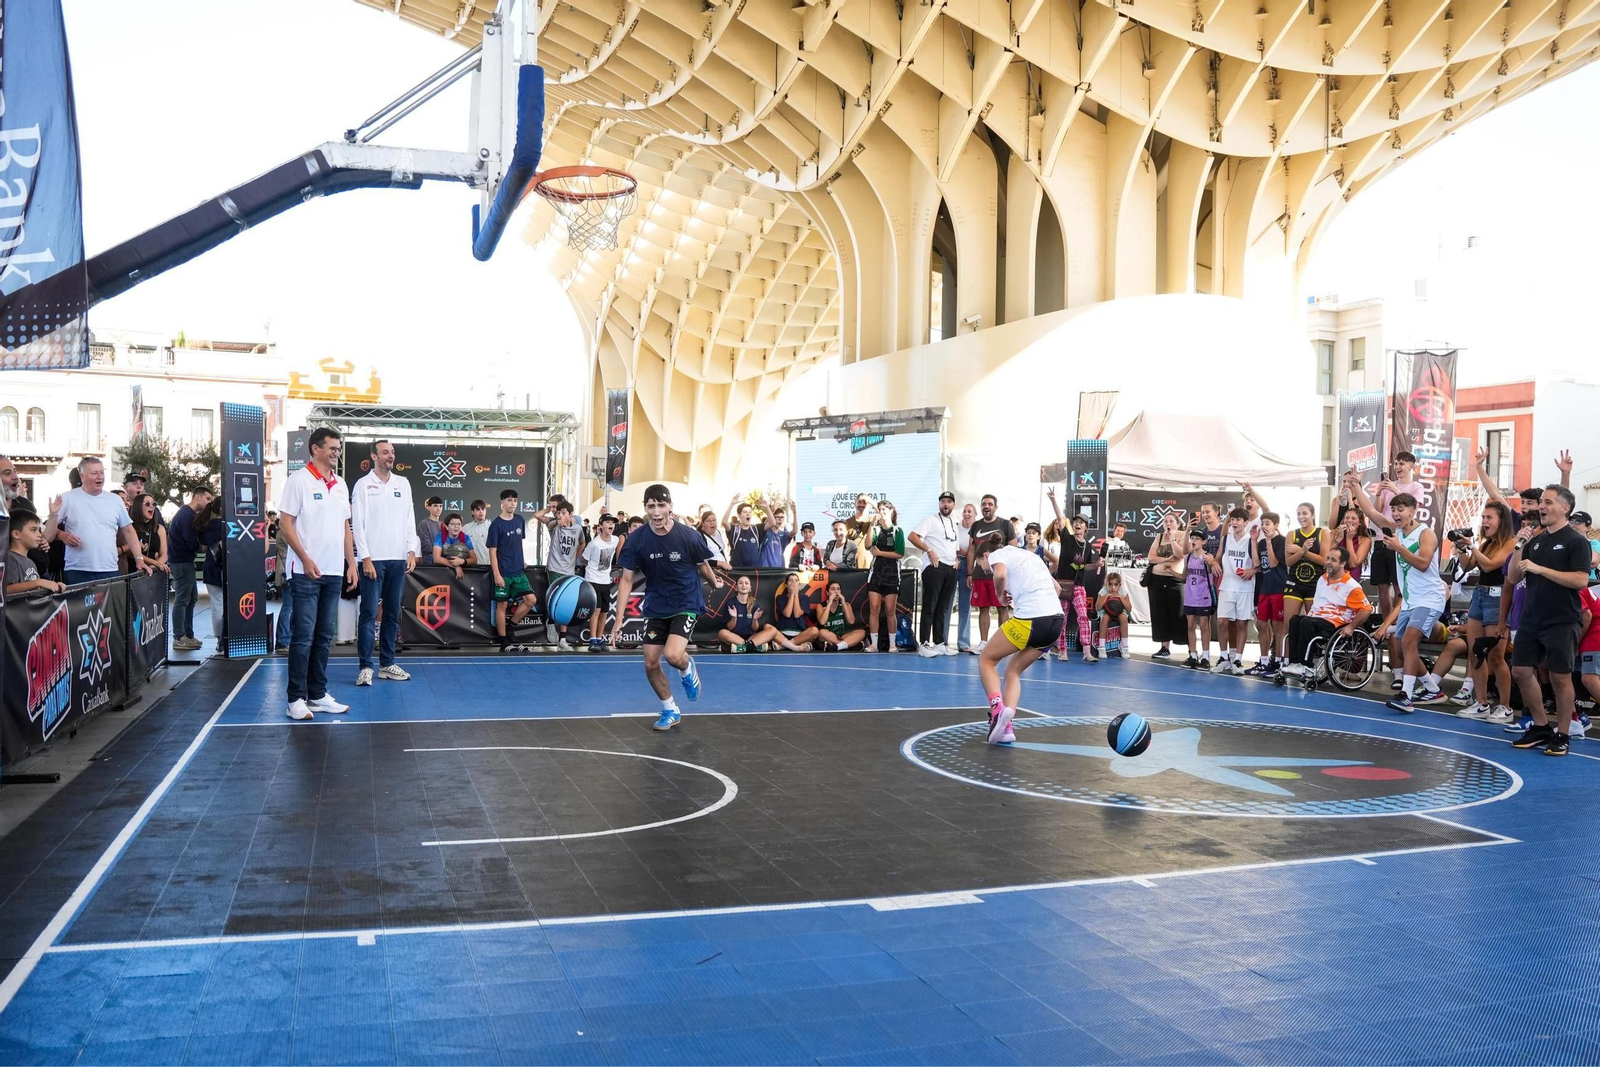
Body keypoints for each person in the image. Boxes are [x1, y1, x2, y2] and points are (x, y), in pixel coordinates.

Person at [609, 483, 726, 730]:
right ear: (645, 508)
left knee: (673, 655)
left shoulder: (688, 535)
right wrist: (618, 620)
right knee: (651, 662)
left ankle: (687, 666)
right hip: (656, 604)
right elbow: (626, 580)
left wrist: (714, 581)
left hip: (685, 601)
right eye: (651, 506)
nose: (656, 511)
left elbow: (702, 564)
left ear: (670, 507)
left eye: (661, 505)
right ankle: (670, 709)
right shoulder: (636, 540)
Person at [1347, 477, 1449, 711]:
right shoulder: (1396, 531)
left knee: (1409, 640)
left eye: (1400, 509)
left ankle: (1406, 695)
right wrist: (1356, 487)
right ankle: (1433, 689)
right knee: (1403, 645)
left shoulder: (1425, 534)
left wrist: (1399, 549)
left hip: (1430, 598)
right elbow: (1371, 511)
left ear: (1413, 511)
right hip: (1411, 600)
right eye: (1393, 509)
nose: (1395, 514)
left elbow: (1423, 564)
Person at [1505, 484, 1592, 755]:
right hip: (1532, 618)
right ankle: (1541, 726)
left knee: (1559, 677)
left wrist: (1540, 569)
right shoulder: (1535, 541)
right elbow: (1513, 577)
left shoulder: (1576, 541)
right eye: (1541, 501)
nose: (1542, 506)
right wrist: (1519, 545)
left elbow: (1580, 580)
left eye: (1548, 502)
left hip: (1561, 619)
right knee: (1520, 671)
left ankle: (1563, 733)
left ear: (1565, 508)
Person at [278, 428, 359, 720]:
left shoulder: (341, 484)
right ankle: (295, 700)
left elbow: (345, 526)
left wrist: (351, 563)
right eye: (332, 448)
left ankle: (317, 694)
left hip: (334, 571)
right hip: (305, 572)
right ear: (315, 448)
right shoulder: (298, 480)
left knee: (324, 636)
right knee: (303, 636)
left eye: (339, 449)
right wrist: (305, 558)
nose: (337, 453)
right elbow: (285, 524)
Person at [971, 531, 1065, 745]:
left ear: (985, 555)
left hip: (1030, 620)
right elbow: (1057, 589)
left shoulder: (997, 554)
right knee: (1013, 671)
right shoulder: (1031, 556)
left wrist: (999, 596)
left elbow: (1000, 575)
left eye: (982, 566)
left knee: (986, 660)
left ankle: (997, 710)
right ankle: (1007, 727)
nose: (986, 571)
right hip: (1055, 622)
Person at [351, 439, 420, 687]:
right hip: (373, 560)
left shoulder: (403, 483)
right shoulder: (363, 484)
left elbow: (409, 518)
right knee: (369, 614)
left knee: (392, 613)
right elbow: (357, 524)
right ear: (374, 456)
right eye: (385, 452)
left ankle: (387, 664)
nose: (390, 456)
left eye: (392, 452)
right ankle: (365, 667)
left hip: (398, 559)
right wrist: (365, 557)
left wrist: (411, 550)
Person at [1451, 500, 1517, 720]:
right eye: (1483, 518)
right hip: (1480, 595)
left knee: (1496, 656)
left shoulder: (1511, 542)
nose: (1485, 522)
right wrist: (1462, 549)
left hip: (1498, 598)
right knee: (1475, 652)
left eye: (1489, 518)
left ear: (1501, 520)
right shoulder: (1487, 542)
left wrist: (1471, 547)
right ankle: (1481, 703)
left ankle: (1505, 706)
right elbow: (1468, 566)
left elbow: (1489, 565)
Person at [45, 458, 150, 585]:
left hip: (109, 569)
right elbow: (47, 536)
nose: (100, 477)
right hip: (77, 570)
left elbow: (129, 531)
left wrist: (139, 559)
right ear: (82, 476)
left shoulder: (115, 500)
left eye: (102, 472)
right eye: (94, 473)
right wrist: (61, 533)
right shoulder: (67, 498)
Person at [1279, 546, 1372, 677]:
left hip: (1335, 624)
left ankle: (1306, 665)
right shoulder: (1322, 579)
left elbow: (1366, 610)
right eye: (1328, 558)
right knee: (1294, 620)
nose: (1328, 562)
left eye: (1333, 560)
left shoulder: (1351, 586)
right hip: (1317, 619)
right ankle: (1294, 663)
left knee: (1306, 622)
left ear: (1343, 564)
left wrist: (1351, 627)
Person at [1365, 451, 1425, 628]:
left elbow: (1413, 508)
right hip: (1381, 538)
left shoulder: (1416, 487)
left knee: (1398, 584)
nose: (1398, 467)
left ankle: (1399, 620)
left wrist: (1396, 490)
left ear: (1411, 466)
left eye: (1402, 464)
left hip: (1400, 539)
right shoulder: (1388, 486)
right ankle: (1386, 622)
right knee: (1381, 585)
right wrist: (1379, 493)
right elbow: (1377, 510)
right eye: (1396, 464)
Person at [1047, 491, 1098, 664]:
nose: (1078, 524)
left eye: (1081, 523)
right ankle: (1062, 650)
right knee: (1062, 618)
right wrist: (1053, 499)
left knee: (1083, 616)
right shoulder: (1067, 538)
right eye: (1076, 522)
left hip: (1079, 585)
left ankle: (1087, 651)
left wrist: (1096, 565)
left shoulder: (1088, 546)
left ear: (1086, 528)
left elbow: (1087, 566)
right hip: (1063, 585)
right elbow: (1060, 519)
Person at [910, 491, 962, 656]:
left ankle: (939, 643)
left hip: (950, 568)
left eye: (949, 501)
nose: (945, 504)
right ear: (939, 504)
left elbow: (954, 547)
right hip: (934, 566)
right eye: (943, 501)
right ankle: (924, 643)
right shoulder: (930, 520)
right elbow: (913, 536)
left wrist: (957, 559)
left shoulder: (954, 524)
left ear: (953, 504)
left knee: (943, 607)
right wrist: (929, 550)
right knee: (929, 606)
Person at [488, 489, 538, 652]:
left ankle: (511, 628)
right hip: (503, 572)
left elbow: (516, 543)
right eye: (509, 500)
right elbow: (493, 551)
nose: (513, 503)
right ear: (502, 503)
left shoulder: (519, 520)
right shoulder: (496, 524)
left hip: (518, 571)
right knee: (502, 605)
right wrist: (497, 574)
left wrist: (521, 560)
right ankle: (503, 641)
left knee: (531, 600)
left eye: (515, 500)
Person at [1281, 503, 1329, 665]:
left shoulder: (1323, 533)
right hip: (1294, 583)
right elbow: (1289, 561)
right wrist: (1302, 550)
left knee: (1312, 625)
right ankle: (1287, 661)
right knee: (1288, 624)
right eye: (1299, 514)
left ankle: (1311, 660)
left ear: (1313, 515)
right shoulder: (1292, 534)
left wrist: (1302, 551)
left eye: (1305, 513)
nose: (1301, 517)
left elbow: (1323, 560)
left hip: (1314, 584)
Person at [966, 494, 1016, 650]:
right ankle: (983, 642)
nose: (986, 506)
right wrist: (969, 573)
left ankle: (1003, 643)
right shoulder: (976, 526)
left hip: (999, 575)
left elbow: (1013, 550)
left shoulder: (1006, 524)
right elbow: (971, 551)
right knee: (983, 608)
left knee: (1002, 607)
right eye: (984, 504)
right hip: (980, 576)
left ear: (996, 507)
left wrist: (1008, 574)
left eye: (990, 504)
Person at [166, 486, 212, 652]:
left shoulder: (187, 514)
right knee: (182, 599)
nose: (209, 503)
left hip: (185, 562)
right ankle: (179, 637)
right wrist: (201, 546)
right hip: (181, 562)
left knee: (191, 599)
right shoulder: (186, 516)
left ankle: (187, 634)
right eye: (207, 499)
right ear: (197, 497)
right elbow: (190, 541)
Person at [1213, 507, 1258, 675]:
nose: (1234, 522)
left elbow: (1257, 564)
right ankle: (1224, 657)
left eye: (1238, 519)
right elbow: (1217, 558)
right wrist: (1214, 563)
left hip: (1245, 588)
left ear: (1246, 522)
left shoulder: (1251, 539)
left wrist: (1252, 570)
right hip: (1227, 585)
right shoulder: (1225, 539)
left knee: (1241, 623)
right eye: (1232, 519)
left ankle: (1237, 659)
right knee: (1221, 621)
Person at [537, 499, 586, 650]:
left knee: (566, 602)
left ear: (571, 515)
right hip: (554, 567)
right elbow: (546, 522)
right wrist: (554, 516)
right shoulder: (555, 526)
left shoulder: (577, 528)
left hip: (569, 569)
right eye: (558, 512)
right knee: (555, 598)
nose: (560, 515)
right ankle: (551, 622)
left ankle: (563, 639)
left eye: (564, 513)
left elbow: (582, 543)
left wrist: (574, 558)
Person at [1247, 511, 1289, 677]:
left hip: (1279, 588)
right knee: (1261, 624)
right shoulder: (1262, 542)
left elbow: (1273, 563)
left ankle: (1278, 661)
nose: (1264, 526)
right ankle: (1264, 661)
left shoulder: (1282, 541)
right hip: (1264, 588)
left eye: (1267, 524)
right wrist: (1254, 541)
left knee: (1278, 626)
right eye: (1263, 523)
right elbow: (1256, 563)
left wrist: (1270, 541)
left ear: (1276, 526)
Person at [863, 500, 905, 653]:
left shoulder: (897, 531)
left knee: (890, 610)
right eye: (879, 509)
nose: (881, 512)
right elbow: (867, 545)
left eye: (884, 509)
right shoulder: (876, 529)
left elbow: (899, 553)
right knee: (874, 608)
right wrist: (871, 525)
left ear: (891, 511)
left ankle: (892, 644)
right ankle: (874, 644)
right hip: (876, 573)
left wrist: (880, 553)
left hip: (892, 574)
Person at [716, 574, 796, 652]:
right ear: (736, 587)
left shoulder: (755, 604)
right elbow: (730, 628)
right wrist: (734, 617)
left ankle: (744, 647)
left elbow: (755, 629)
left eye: (746, 583)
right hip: (735, 638)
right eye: (740, 583)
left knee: (772, 630)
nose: (743, 585)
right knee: (722, 633)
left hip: (753, 638)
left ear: (750, 588)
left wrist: (754, 619)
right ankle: (751, 647)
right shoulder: (731, 603)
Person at [1145, 513, 1187, 660]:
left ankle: (1190, 649)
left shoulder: (1183, 535)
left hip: (1175, 579)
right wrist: (1167, 559)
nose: (1168, 523)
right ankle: (1164, 647)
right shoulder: (1159, 537)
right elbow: (1151, 557)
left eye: (1171, 521)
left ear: (1178, 523)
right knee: (1160, 613)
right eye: (1165, 521)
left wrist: (1173, 538)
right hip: (1157, 579)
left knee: (1179, 614)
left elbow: (1180, 554)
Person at [1179, 527, 1219, 669]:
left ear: (1204, 542)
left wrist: (1211, 562)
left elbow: (1212, 569)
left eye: (1197, 538)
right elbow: (1184, 576)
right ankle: (1193, 655)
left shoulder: (1207, 557)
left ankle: (1206, 656)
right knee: (1190, 625)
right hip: (1190, 597)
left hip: (1203, 596)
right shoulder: (1188, 557)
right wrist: (1171, 571)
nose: (1194, 541)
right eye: (1192, 538)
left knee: (1204, 625)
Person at [581, 513, 620, 651]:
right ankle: (592, 640)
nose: (611, 525)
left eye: (612, 523)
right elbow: (584, 558)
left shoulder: (615, 539)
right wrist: (593, 566)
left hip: (605, 580)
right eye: (607, 522)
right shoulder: (594, 543)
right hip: (593, 579)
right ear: (600, 526)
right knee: (596, 611)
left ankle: (599, 639)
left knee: (604, 611)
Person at [5, 512, 66, 597]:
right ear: (16, 534)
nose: (39, 535)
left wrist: (53, 586)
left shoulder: (30, 562)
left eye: (39, 530)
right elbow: (5, 590)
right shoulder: (9, 558)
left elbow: (34, 589)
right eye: (33, 530)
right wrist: (38, 582)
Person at [197, 497, 228, 641]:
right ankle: (227, 635)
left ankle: (219, 638)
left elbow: (203, 547)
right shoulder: (228, 525)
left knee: (217, 605)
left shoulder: (207, 525)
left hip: (210, 567)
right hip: (227, 568)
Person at [813, 580, 866, 651]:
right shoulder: (821, 606)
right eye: (833, 589)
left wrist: (843, 603)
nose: (836, 592)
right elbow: (822, 622)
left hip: (841, 636)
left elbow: (851, 621)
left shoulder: (846, 604)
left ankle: (837, 646)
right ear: (827, 592)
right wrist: (829, 603)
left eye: (838, 589)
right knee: (822, 632)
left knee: (862, 632)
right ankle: (849, 645)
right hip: (828, 636)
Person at [124, 493, 169, 574]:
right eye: (147, 504)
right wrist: (155, 563)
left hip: (155, 572)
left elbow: (164, 554)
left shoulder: (160, 528)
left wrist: (154, 566)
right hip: (135, 571)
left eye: (153, 504)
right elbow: (133, 553)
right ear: (138, 507)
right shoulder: (130, 528)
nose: (151, 506)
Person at [775, 572, 819, 649]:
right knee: (767, 627)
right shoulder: (780, 598)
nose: (794, 583)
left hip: (800, 635)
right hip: (782, 634)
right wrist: (792, 594)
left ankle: (784, 646)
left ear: (799, 584)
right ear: (786, 585)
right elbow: (787, 614)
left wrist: (796, 594)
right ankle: (793, 646)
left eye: (796, 581)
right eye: (791, 581)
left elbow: (797, 614)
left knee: (814, 630)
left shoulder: (804, 598)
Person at [956, 502, 977, 653]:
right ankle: (942, 640)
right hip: (953, 563)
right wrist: (965, 552)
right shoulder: (955, 527)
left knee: (965, 605)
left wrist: (968, 555)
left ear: (975, 514)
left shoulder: (977, 530)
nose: (967, 514)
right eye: (965, 511)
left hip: (969, 566)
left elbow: (974, 551)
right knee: (947, 604)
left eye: (970, 511)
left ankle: (963, 643)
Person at [722, 496, 764, 569]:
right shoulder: (735, 530)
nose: (748, 514)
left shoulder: (756, 529)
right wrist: (732, 504)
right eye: (745, 512)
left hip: (754, 571)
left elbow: (772, 523)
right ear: (739, 515)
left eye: (750, 512)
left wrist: (766, 508)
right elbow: (724, 522)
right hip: (737, 571)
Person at [1333, 506, 1372, 584]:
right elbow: (1326, 556)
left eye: (1353, 518)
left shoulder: (1365, 540)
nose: (1349, 520)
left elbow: (1353, 564)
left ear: (1360, 522)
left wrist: (1349, 539)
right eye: (1347, 518)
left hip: (1351, 579)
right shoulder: (1334, 533)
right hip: (1333, 576)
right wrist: (1339, 538)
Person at [1095, 572, 1129, 658]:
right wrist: (1106, 596)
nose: (1113, 587)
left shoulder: (1123, 592)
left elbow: (1129, 609)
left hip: (1119, 611)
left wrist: (1121, 598)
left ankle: (1124, 645)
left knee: (1123, 617)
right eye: (1110, 584)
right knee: (1105, 617)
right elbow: (1098, 608)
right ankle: (1101, 646)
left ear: (1119, 585)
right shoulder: (1103, 591)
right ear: (1106, 584)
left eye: (1115, 584)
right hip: (1105, 611)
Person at [758, 499, 796, 568]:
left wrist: (794, 513)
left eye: (782, 517)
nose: (780, 519)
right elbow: (765, 525)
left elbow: (794, 531)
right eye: (777, 517)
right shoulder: (766, 533)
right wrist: (771, 510)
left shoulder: (783, 534)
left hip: (779, 570)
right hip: (765, 570)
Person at [462, 500, 493, 565]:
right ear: (472, 512)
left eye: (483, 509)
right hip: (469, 567)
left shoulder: (492, 527)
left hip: (488, 566)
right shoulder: (465, 528)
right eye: (478, 509)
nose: (481, 511)